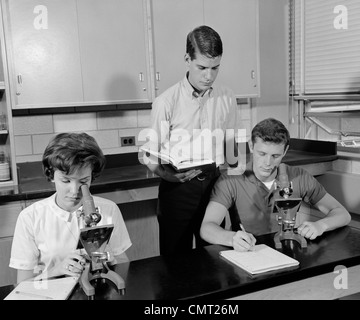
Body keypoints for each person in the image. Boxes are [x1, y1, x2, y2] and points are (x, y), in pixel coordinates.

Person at [142, 25, 245, 255]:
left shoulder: (227, 97)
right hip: (177, 187)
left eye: (215, 68)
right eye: (202, 67)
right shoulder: (166, 102)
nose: (209, 76)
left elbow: (232, 147)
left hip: (215, 184)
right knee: (174, 260)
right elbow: (151, 154)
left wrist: (233, 186)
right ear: (187, 59)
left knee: (213, 256)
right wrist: (167, 175)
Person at [200, 118, 351, 252]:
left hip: (288, 250)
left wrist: (320, 226)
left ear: (285, 151)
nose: (267, 163)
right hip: (250, 252)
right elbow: (207, 227)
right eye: (262, 154)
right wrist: (232, 238)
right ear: (251, 147)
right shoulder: (231, 180)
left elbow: (342, 214)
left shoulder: (299, 176)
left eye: (275, 156)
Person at [9, 132, 132, 283]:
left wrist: (109, 257)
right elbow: (22, 283)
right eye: (66, 180)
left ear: (92, 176)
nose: (75, 191)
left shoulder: (109, 209)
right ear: (51, 175)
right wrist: (56, 270)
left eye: (83, 181)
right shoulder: (30, 217)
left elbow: (122, 264)